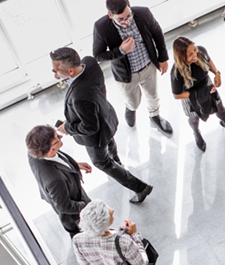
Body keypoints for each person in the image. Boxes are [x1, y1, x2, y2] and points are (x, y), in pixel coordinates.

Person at [50, 47, 154, 204]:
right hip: (106, 117)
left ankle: (140, 188)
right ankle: (117, 162)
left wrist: (68, 127)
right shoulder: (89, 62)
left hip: (96, 136)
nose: (54, 73)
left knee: (102, 162)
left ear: (71, 71)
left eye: (56, 70)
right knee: (110, 144)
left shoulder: (79, 96)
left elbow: (90, 127)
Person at [93, 0, 172, 135]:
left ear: (129, 7)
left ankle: (154, 116)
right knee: (133, 101)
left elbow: (157, 32)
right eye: (121, 19)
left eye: (129, 16)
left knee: (153, 96)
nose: (127, 22)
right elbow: (98, 55)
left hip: (148, 66)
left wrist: (163, 58)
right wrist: (121, 50)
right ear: (110, 16)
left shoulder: (143, 13)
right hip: (125, 75)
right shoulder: (101, 27)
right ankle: (130, 108)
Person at [171, 37, 225, 152]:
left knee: (220, 109)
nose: (194, 54)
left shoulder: (201, 51)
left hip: (207, 86)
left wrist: (217, 73)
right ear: (182, 57)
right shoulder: (176, 72)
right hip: (190, 96)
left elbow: (209, 61)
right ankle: (196, 133)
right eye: (190, 54)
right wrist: (199, 94)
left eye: (194, 50)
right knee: (194, 118)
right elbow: (177, 95)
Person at [26, 125, 91, 237]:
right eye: (58, 138)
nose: (61, 136)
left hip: (66, 190)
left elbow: (57, 161)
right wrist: (87, 205)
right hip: (75, 213)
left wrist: (74, 166)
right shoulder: (55, 180)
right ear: (50, 150)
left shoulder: (34, 153)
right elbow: (64, 206)